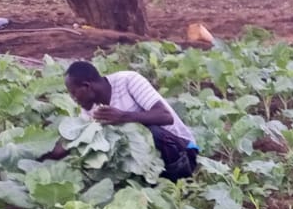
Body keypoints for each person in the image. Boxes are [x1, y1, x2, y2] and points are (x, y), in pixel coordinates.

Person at [54, 61, 199, 181]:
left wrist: (123, 117)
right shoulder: (90, 110)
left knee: (151, 132)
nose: (73, 99)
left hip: (183, 152)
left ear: (86, 86)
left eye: (74, 92)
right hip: (148, 167)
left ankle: (179, 179)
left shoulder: (128, 80)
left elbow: (166, 116)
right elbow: (75, 141)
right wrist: (42, 155)